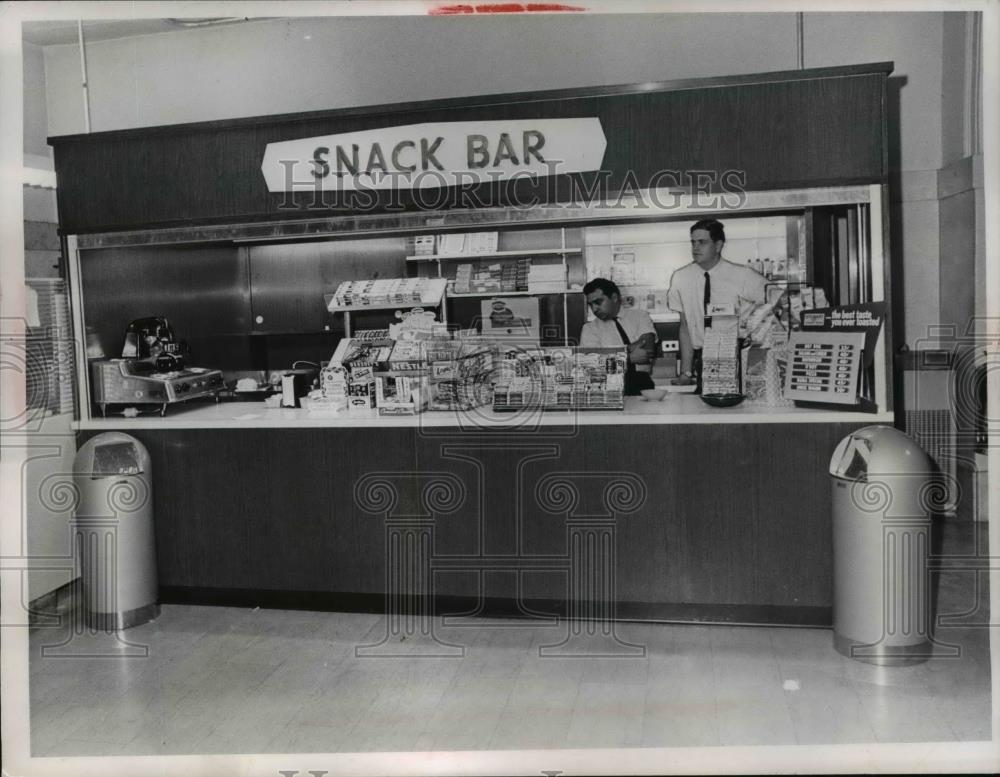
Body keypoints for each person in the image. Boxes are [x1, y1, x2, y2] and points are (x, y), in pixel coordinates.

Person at [667, 219, 766, 389]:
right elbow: (685, 327)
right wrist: (686, 373)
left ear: (718, 245)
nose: (695, 247)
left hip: (737, 360)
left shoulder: (743, 275)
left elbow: (778, 301)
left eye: (702, 242)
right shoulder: (681, 277)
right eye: (693, 242)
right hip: (703, 361)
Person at [579, 278, 657, 396]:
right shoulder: (589, 329)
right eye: (590, 305)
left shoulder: (640, 316)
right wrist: (628, 357)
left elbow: (648, 347)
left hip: (642, 386)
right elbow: (591, 366)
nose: (594, 309)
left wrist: (609, 355)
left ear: (614, 297)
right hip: (606, 389)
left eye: (598, 302)